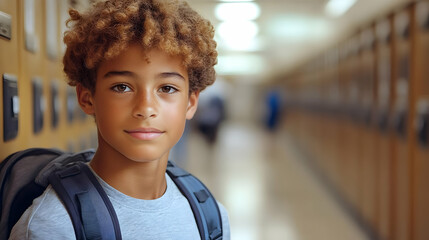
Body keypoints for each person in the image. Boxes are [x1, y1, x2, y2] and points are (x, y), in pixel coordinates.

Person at [9, 0, 230, 239]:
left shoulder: (212, 217)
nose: (145, 108)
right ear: (87, 98)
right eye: (122, 87)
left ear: (191, 102)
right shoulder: (53, 227)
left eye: (166, 88)